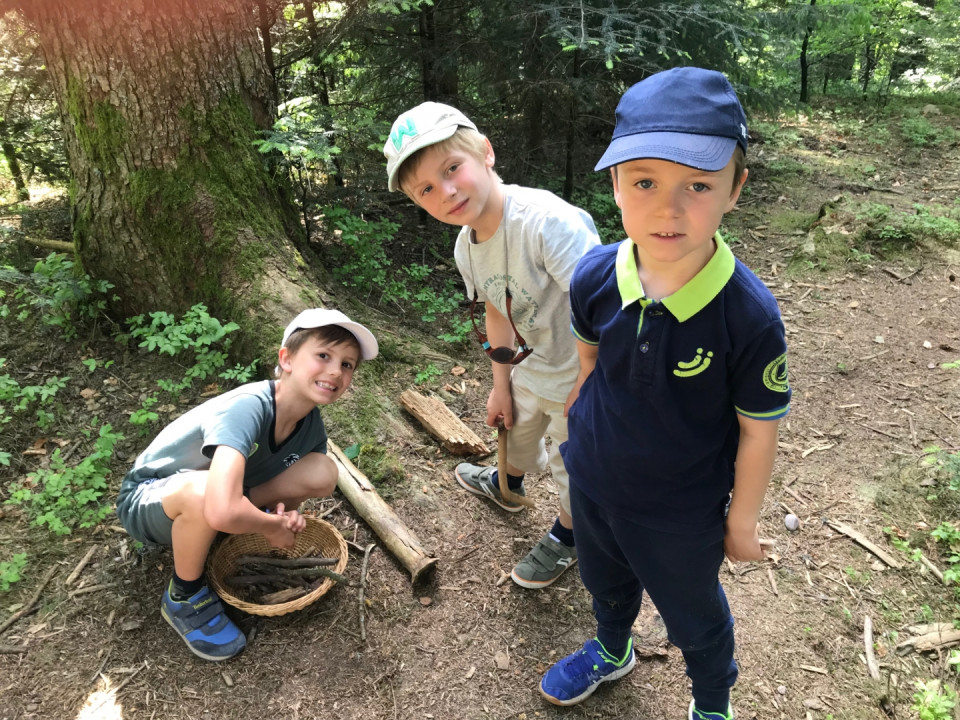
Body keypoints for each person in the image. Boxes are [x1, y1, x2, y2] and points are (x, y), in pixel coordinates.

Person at [538, 67, 791, 720]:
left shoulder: (748, 316)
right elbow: (589, 359)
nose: (668, 208)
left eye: (698, 185)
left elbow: (759, 428)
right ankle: (613, 647)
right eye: (645, 181)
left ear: (736, 188)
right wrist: (579, 428)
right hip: (595, 483)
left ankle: (712, 703)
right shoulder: (595, 276)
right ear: (615, 185)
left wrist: (741, 523)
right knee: (605, 580)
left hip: (681, 512)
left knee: (694, 616)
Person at [384, 102, 600, 588]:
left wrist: (589, 384)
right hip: (531, 365)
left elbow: (605, 311)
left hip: (584, 373)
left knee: (576, 466)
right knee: (516, 431)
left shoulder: (547, 223)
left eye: (451, 168)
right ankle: (508, 483)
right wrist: (501, 384)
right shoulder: (467, 247)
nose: (446, 191)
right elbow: (497, 311)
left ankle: (572, 534)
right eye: (426, 189)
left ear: (486, 152)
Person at [116, 308, 378, 661]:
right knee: (208, 496)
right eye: (323, 356)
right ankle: (184, 595)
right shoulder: (247, 407)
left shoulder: (310, 424)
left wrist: (282, 516)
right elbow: (218, 503)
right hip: (151, 499)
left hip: (222, 496)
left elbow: (295, 485)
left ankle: (231, 528)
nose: (335, 371)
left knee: (323, 471)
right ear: (286, 359)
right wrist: (270, 527)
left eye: (347, 364)